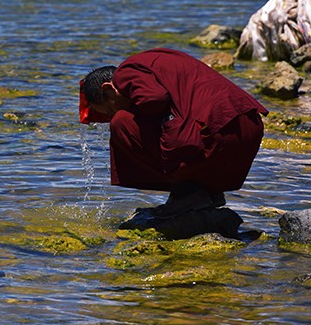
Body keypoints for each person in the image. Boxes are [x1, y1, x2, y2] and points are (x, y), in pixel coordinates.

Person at [79, 48, 268, 218]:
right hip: (249, 128)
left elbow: (155, 99)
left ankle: (188, 194)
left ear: (108, 89)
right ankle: (206, 192)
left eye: (109, 110)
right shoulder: (155, 63)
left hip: (218, 133)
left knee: (122, 123)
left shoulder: (126, 73)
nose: (111, 115)